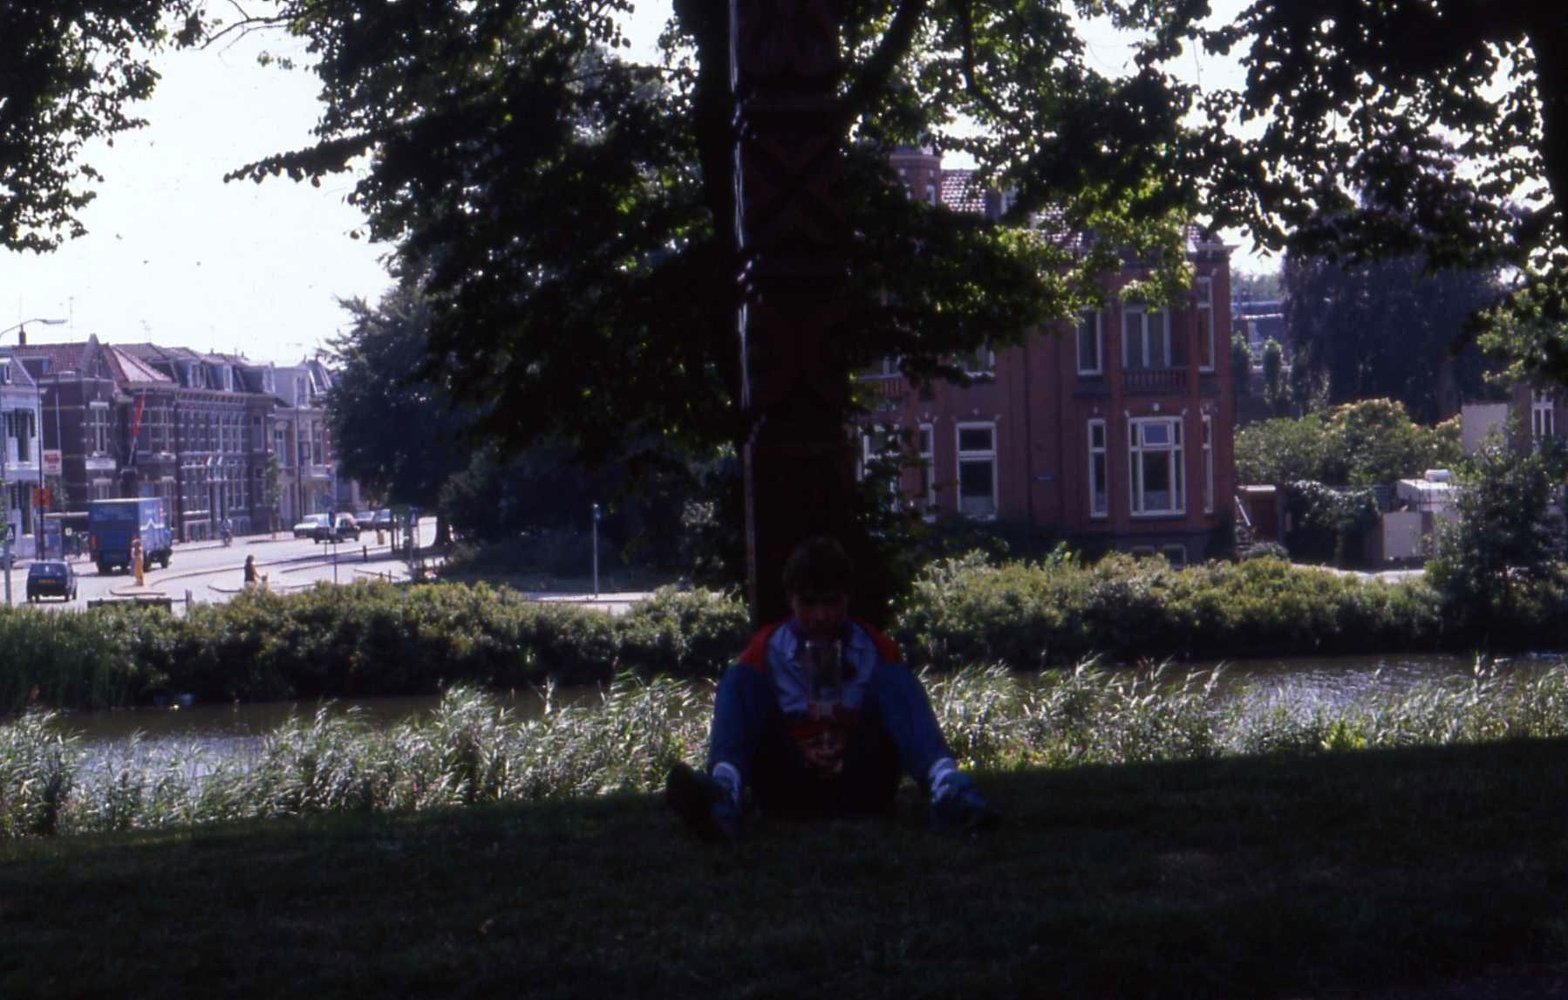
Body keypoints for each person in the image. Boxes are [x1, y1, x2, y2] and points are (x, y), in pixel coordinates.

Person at [666, 535, 999, 840]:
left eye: (831, 602)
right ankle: (724, 792)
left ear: (847, 599)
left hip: (861, 780)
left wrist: (843, 742)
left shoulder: (877, 649)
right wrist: (803, 747)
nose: (821, 616)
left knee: (895, 678)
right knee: (739, 678)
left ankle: (948, 789)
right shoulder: (765, 650)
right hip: (788, 783)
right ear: (791, 600)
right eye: (809, 603)